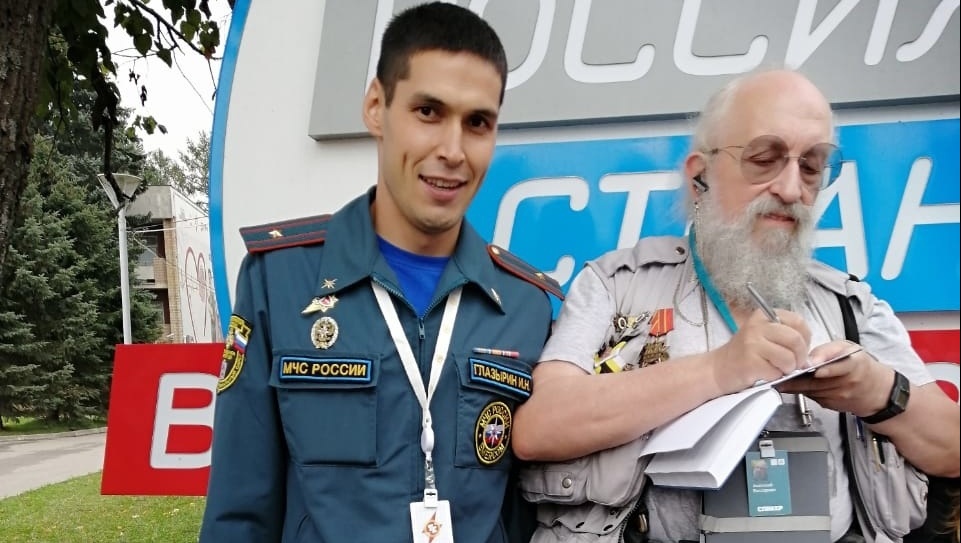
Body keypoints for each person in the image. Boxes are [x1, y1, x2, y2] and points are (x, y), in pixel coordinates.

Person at [511, 68, 960, 543]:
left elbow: (951, 448)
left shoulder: (850, 306)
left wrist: (878, 391)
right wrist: (718, 370)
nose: (792, 189)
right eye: (764, 159)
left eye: (811, 166)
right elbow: (540, 428)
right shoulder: (616, 284)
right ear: (699, 175)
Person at [199, 3, 560, 542]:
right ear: (376, 107)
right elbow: (238, 511)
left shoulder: (525, 304)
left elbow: (530, 514)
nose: (453, 151)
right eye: (428, 112)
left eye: (477, 123)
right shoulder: (280, 280)